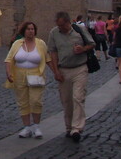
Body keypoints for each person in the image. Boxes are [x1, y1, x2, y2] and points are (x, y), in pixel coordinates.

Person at [47, 11, 95, 143]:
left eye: (62, 25)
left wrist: (83, 49)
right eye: (58, 25)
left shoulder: (80, 30)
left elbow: (92, 43)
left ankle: (76, 128)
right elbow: (53, 52)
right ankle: (68, 127)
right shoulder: (54, 33)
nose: (60, 28)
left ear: (68, 22)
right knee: (66, 100)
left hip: (80, 68)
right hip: (64, 70)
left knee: (78, 97)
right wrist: (56, 71)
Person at [4, 21, 50, 139]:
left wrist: (56, 71)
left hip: (36, 74)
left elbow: (48, 58)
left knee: (36, 101)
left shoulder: (41, 44)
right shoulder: (17, 44)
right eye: (28, 29)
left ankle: (36, 126)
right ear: (24, 31)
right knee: (22, 101)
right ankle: (27, 127)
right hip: (19, 75)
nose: (31, 31)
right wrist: (9, 73)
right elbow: (8, 59)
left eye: (33, 29)